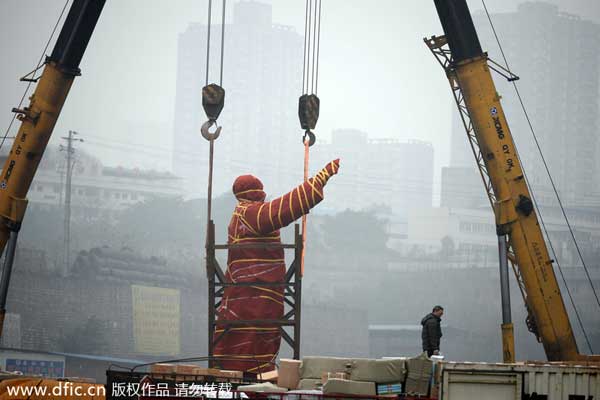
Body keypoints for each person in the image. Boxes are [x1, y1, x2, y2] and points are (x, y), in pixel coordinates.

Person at [214, 159, 340, 373]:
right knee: (251, 348)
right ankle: (248, 386)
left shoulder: (239, 215)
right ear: (257, 192)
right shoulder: (249, 214)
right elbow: (284, 208)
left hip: (248, 295)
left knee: (246, 344)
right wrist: (319, 180)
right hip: (254, 296)